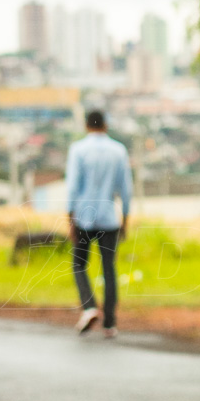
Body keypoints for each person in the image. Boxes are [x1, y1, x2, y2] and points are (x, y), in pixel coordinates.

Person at [65, 109, 133, 339]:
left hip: (84, 216)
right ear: (105, 125)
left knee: (79, 264)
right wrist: (125, 217)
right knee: (109, 268)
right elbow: (126, 189)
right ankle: (110, 323)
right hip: (109, 217)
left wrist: (70, 218)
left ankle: (89, 306)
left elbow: (73, 186)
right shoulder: (118, 150)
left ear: (86, 126)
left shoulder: (78, 150)